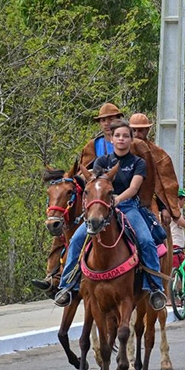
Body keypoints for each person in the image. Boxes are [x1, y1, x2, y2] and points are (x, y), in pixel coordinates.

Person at [54, 119, 167, 310]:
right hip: (102, 208)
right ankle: (67, 286)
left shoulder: (138, 163)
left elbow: (133, 188)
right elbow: (94, 183)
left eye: (125, 136)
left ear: (131, 140)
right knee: (76, 239)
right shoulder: (102, 161)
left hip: (129, 207)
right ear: (111, 139)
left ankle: (155, 288)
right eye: (117, 136)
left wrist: (118, 200)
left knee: (147, 240)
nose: (121, 139)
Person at [32, 102, 124, 293]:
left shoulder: (127, 142)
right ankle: (56, 277)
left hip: (122, 197)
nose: (107, 123)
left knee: (147, 235)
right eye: (103, 120)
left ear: (119, 120)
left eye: (111, 119)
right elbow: (81, 173)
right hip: (94, 198)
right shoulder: (93, 145)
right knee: (65, 226)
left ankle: (151, 281)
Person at [129, 113, 182, 224]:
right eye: (133, 130)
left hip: (148, 201)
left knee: (157, 231)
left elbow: (166, 184)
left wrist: (164, 207)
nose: (137, 134)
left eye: (141, 130)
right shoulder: (122, 150)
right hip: (122, 198)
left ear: (148, 130)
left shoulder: (158, 154)